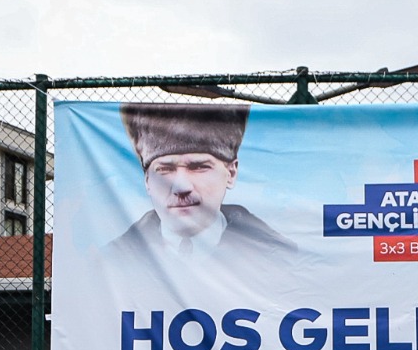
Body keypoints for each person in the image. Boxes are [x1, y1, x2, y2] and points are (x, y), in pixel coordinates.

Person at [109, 102, 295, 270]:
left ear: (231, 173)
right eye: (165, 169)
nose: (181, 187)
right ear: (147, 180)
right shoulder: (110, 262)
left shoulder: (280, 259)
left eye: (198, 167)